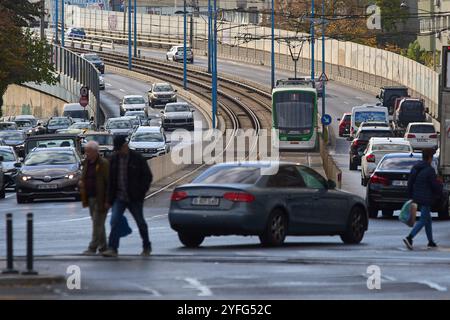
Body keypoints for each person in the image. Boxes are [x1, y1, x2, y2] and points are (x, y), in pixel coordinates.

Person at [102, 135, 153, 257]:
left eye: (120, 149)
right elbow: (110, 182)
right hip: (119, 197)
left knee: (140, 222)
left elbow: (147, 177)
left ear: (125, 146)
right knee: (115, 220)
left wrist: (141, 192)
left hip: (134, 197)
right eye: (117, 150)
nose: (119, 152)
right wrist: (108, 200)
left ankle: (147, 246)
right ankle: (112, 248)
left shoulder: (137, 158)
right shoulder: (113, 160)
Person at [403, 148, 443, 250]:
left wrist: (410, 195)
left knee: (427, 220)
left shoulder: (416, 167)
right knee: (423, 220)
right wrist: (440, 185)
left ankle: (430, 241)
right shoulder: (430, 170)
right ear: (429, 158)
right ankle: (410, 237)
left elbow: (410, 182)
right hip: (425, 198)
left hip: (417, 196)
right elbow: (434, 186)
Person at [80, 140, 110, 255]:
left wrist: (108, 200)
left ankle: (92, 247)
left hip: (100, 198)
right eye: (86, 151)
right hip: (90, 197)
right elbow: (85, 176)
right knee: (98, 223)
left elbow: (108, 182)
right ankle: (103, 247)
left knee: (97, 223)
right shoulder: (87, 163)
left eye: (89, 152)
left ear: (95, 152)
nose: (86, 154)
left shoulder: (103, 164)